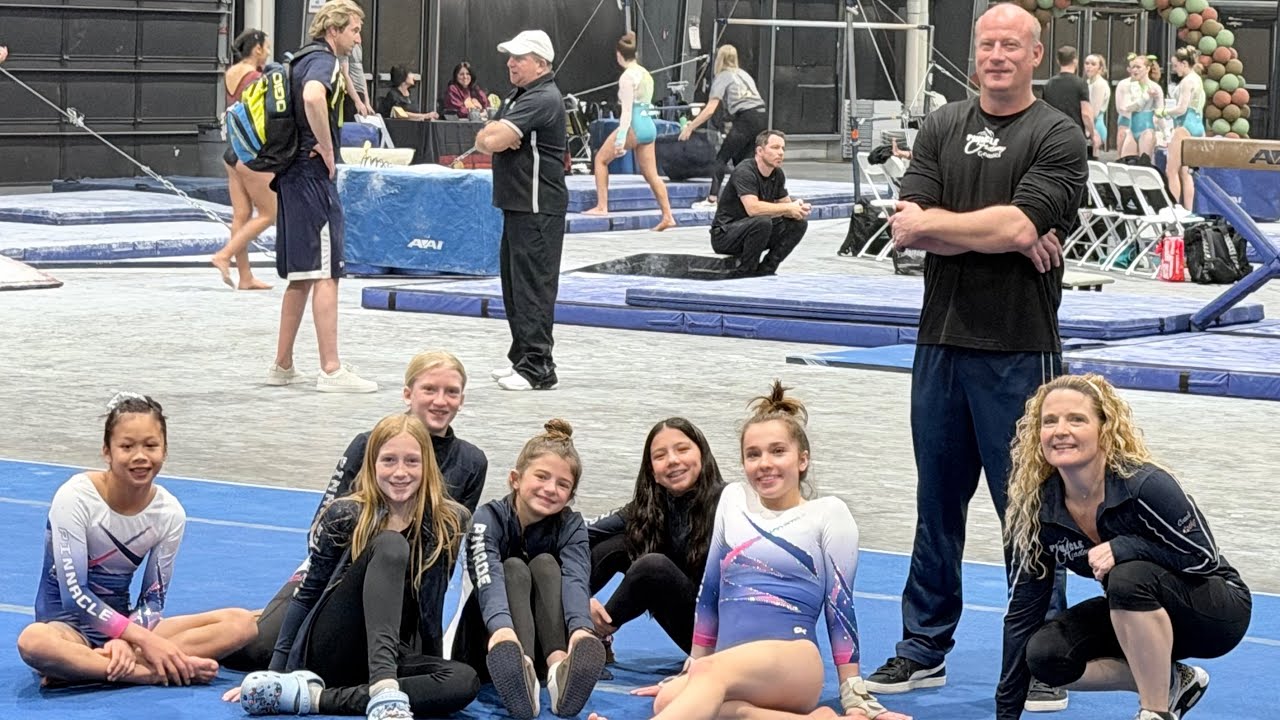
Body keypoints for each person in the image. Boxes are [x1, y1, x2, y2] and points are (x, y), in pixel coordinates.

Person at [864, 5, 1087, 714]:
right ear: (973, 53)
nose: (996, 54)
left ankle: (1044, 658)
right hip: (940, 345)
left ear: (1034, 54)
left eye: (1010, 45)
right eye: (986, 43)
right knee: (937, 505)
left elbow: (1019, 224)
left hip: (1019, 349)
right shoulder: (941, 125)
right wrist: (991, 232)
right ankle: (923, 647)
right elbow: (907, 228)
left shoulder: (1056, 133)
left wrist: (965, 227)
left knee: (1029, 510)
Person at [589, 381, 910, 720]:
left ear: (802, 460)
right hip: (728, 664)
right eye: (753, 454)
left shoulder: (828, 513)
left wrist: (854, 694)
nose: (764, 463)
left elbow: (840, 609)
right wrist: (695, 664)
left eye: (777, 451)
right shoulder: (733, 500)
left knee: (703, 684)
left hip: (792, 659)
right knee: (667, 700)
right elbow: (710, 592)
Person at [997, 374, 1251, 720]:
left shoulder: (1143, 484)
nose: (1060, 430)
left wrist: (1127, 546)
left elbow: (1203, 557)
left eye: (1077, 419)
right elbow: (1024, 612)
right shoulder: (1041, 507)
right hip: (1139, 613)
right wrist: (1006, 714)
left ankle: (1155, 712)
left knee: (1128, 577)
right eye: (1049, 421)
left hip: (1214, 611)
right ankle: (1175, 681)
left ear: (1104, 428)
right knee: (1045, 655)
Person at [220, 350, 488, 672]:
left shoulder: (471, 463)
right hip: (338, 578)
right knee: (258, 652)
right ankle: (213, 630)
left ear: (462, 399)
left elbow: (442, 561)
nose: (440, 401)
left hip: (405, 592)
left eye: (451, 392)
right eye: (429, 389)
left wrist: (430, 648)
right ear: (408, 394)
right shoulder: (367, 444)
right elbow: (320, 530)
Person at [228, 414, 479, 719]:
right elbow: (307, 594)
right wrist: (275, 674)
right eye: (389, 460)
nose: (400, 472)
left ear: (428, 465)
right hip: (332, 646)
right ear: (372, 465)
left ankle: (317, 699)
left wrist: (432, 663)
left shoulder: (447, 521)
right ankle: (384, 690)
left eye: (412, 461)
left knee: (463, 681)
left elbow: (431, 605)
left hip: (385, 655)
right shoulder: (346, 514)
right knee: (390, 544)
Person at [16, 393, 258, 687]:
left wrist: (127, 640)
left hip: (126, 629)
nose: (140, 456)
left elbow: (153, 601)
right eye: (127, 446)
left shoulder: (169, 513)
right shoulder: (75, 497)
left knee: (241, 623)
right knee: (33, 641)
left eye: (151, 445)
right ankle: (151, 673)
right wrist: (138, 641)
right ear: (107, 451)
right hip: (66, 629)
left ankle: (87, 669)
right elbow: (74, 597)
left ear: (165, 451)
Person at [450, 419, 606, 720]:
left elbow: (575, 579)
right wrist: (503, 632)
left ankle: (559, 668)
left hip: (547, 639)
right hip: (491, 639)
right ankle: (520, 666)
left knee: (547, 565)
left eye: (563, 485)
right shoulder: (488, 517)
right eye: (542, 477)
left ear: (571, 496)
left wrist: (581, 631)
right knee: (512, 568)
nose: (551, 489)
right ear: (515, 479)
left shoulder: (571, 525)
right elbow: (488, 579)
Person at [267, 0, 377, 393]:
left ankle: (282, 365)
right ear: (334, 30)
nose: (358, 39)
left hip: (290, 175)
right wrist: (328, 148)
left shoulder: (297, 59)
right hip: (313, 174)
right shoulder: (323, 62)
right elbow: (314, 97)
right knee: (328, 272)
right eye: (354, 31)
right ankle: (331, 369)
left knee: (302, 274)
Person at [587, 418, 726, 662]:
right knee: (615, 545)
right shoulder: (646, 510)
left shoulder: (731, 503)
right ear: (653, 472)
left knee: (654, 567)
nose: (672, 460)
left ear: (703, 455)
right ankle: (563, 633)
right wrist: (578, 599)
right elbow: (580, 534)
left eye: (682, 449)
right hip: (690, 627)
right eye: (660, 456)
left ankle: (596, 632)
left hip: (723, 639)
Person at [474, 30, 568, 392]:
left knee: (533, 290)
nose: (510, 63)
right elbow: (485, 137)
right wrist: (493, 135)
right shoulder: (520, 96)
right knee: (514, 288)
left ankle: (538, 367)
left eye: (519, 58)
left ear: (541, 64)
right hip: (517, 205)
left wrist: (495, 136)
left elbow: (493, 139)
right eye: (509, 56)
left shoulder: (543, 98)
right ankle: (522, 357)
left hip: (538, 207)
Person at [582, 32, 676, 232]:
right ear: (637, 54)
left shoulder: (627, 77)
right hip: (648, 125)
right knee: (651, 175)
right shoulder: (645, 73)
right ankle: (668, 215)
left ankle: (601, 206)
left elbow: (625, 111)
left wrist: (620, 139)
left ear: (618, 55)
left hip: (634, 123)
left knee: (600, 160)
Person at [215, 29, 275, 291]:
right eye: (267, 47)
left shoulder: (231, 73)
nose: (269, 52)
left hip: (232, 151)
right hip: (251, 152)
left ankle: (246, 276)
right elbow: (262, 116)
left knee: (241, 214)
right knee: (269, 214)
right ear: (258, 49)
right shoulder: (255, 78)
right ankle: (224, 255)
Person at [677, 44, 767, 208]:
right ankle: (749, 197)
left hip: (746, 117)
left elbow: (710, 109)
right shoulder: (744, 74)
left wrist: (690, 127)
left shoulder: (723, 76)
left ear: (719, 59)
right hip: (760, 116)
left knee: (721, 158)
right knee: (743, 161)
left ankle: (712, 199)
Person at [710, 129, 810, 277]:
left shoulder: (777, 174)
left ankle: (767, 269)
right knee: (762, 222)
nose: (781, 153)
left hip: (755, 230)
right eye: (775, 148)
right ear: (760, 151)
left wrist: (797, 208)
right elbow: (753, 209)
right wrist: (788, 207)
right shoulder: (745, 171)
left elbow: (787, 206)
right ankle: (746, 271)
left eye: (783, 148)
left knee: (798, 224)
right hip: (725, 235)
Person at [1165, 46, 1206, 211]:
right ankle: (1187, 211)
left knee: (1171, 170)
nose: (1174, 69)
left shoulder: (1187, 81)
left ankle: (1175, 209)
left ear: (1184, 63)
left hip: (1185, 126)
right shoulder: (1197, 79)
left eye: (1175, 66)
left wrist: (1164, 112)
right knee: (1185, 172)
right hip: (1197, 125)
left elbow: (1181, 108)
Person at [1041, 46, 1093, 154]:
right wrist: (1093, 134)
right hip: (1074, 135)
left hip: (1053, 136)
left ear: (1058, 61)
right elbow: (1086, 113)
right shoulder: (1080, 83)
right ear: (1075, 61)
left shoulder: (1049, 84)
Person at [1116, 53, 1162, 159]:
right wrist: (1145, 97)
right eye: (1133, 67)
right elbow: (1124, 108)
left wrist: (1166, 134)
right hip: (1131, 129)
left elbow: (1160, 113)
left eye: (1138, 67)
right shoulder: (1129, 86)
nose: (1135, 70)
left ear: (1147, 69)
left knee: (1144, 163)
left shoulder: (1155, 87)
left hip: (1147, 129)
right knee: (1126, 162)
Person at [1084, 54, 1110, 156]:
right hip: (1089, 125)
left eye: (1093, 64)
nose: (1089, 66)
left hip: (1095, 126)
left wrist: (1089, 131)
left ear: (1100, 68)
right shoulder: (1088, 82)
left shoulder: (1100, 84)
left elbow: (1094, 112)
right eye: (1087, 63)